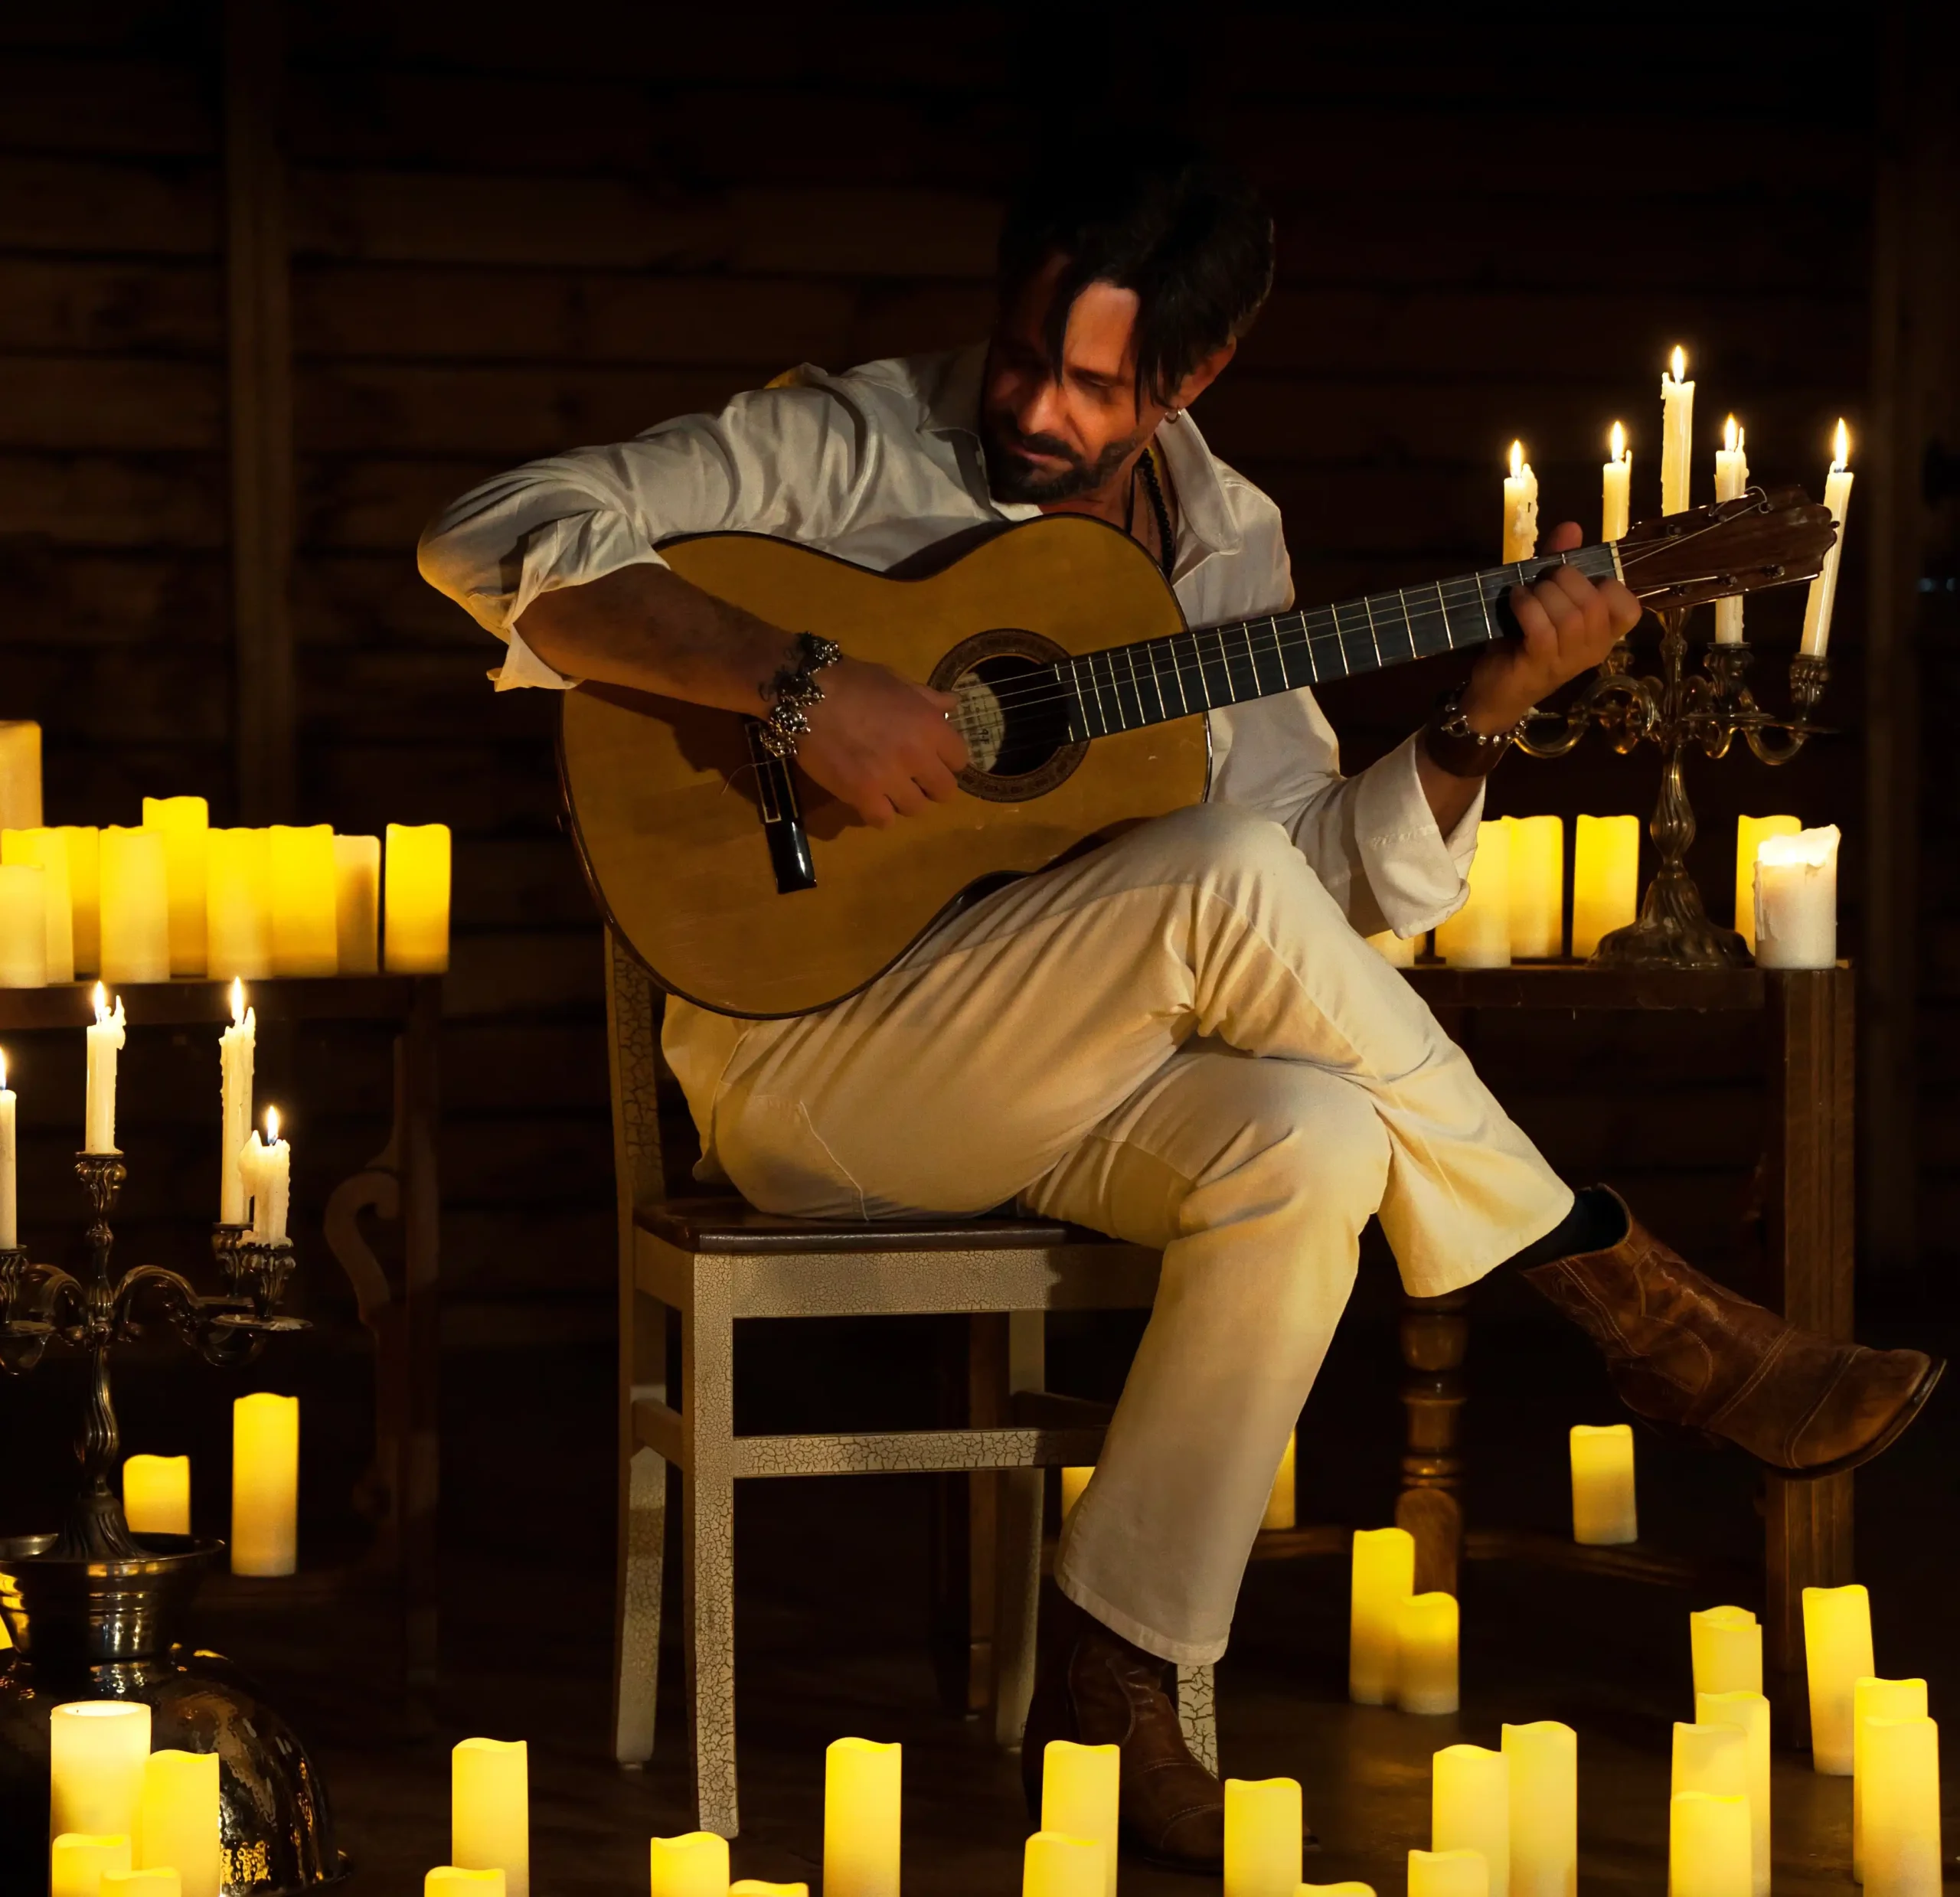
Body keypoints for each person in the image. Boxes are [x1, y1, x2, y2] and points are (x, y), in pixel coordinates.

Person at [419, 141, 1939, 1870]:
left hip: (1058, 1062)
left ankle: (1121, 1662)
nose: (1032, 409)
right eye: (1018, 356)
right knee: (1219, 882)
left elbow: (1319, 892)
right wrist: (796, 682)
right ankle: (1605, 1278)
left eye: (1087, 384)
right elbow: (479, 533)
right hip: (807, 1064)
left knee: (1309, 1130)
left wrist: (1486, 710)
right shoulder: (846, 441)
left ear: (1192, 375)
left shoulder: (1223, 537)